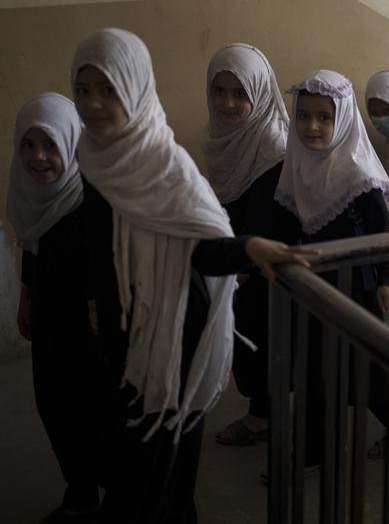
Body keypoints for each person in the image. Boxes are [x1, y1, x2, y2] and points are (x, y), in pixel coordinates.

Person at [70, 28, 313, 523]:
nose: (94, 104)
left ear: (136, 89)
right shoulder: (93, 158)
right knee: (135, 457)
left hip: (173, 332)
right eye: (84, 89)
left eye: (109, 89)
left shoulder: (162, 165)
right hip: (122, 329)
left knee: (161, 463)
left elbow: (200, 247)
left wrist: (248, 247)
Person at [273, 69, 389, 461]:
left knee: (361, 369)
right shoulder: (300, 163)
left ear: (343, 119)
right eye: (303, 115)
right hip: (318, 284)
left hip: (358, 288)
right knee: (320, 368)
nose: (312, 126)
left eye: (324, 117)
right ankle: (317, 447)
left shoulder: (358, 175)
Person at [8, 93, 103, 522]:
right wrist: (26, 298)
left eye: (50, 145)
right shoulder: (29, 193)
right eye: (28, 145)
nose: (39, 157)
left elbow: (102, 274)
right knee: (54, 406)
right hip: (49, 321)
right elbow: (31, 243)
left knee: (93, 413)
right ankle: (80, 493)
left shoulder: (88, 202)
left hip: (89, 331)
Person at [200, 43, 291, 447]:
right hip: (237, 258)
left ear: (259, 92)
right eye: (219, 91)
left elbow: (275, 217)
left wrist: (245, 264)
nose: (228, 103)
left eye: (240, 93)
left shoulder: (272, 146)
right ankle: (262, 413)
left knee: (260, 338)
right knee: (245, 337)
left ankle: (262, 418)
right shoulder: (220, 138)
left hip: (263, 262)